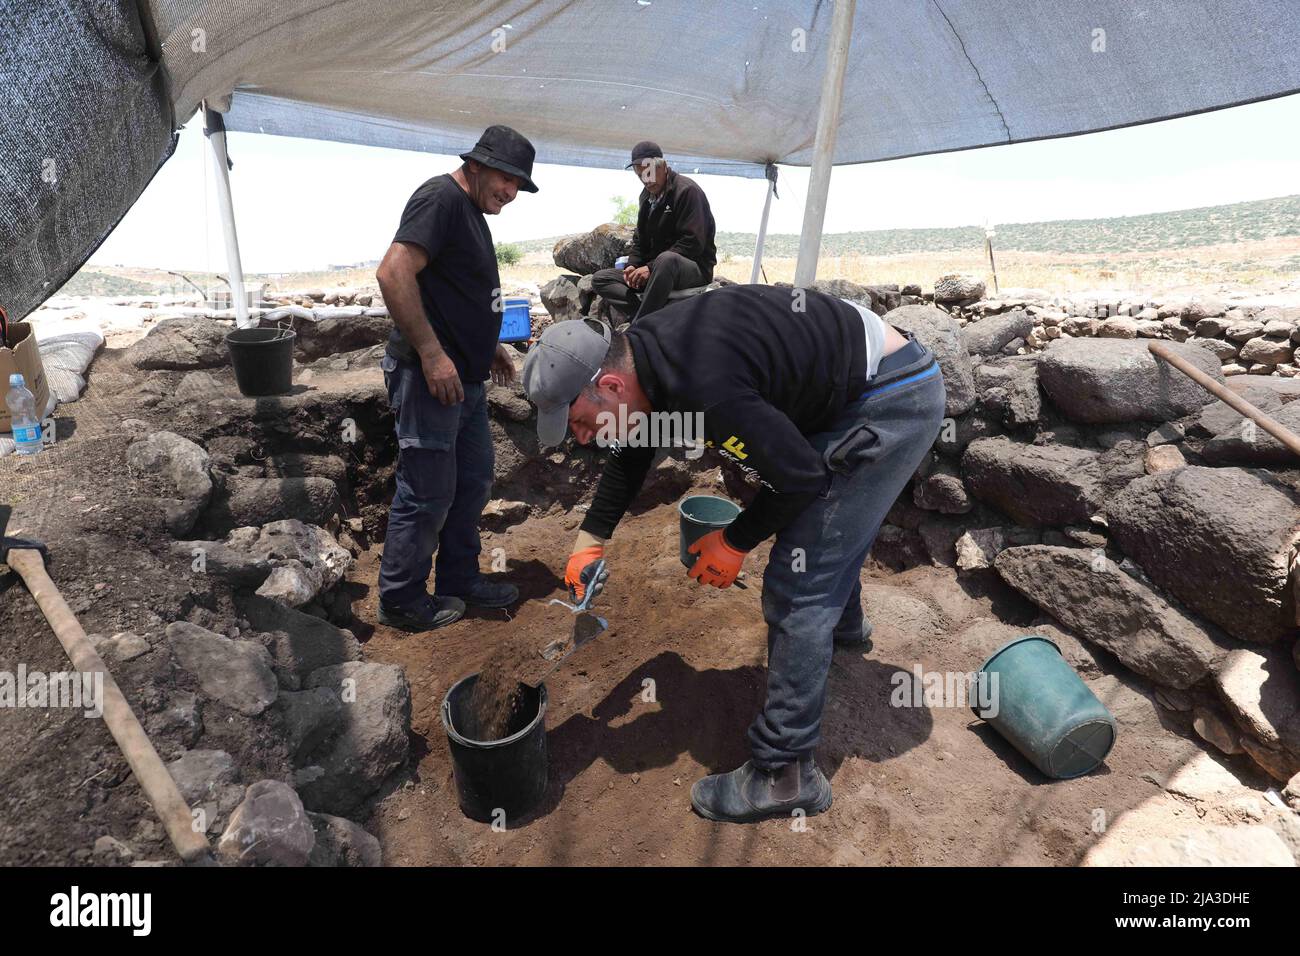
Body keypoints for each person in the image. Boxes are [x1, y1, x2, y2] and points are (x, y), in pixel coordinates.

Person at [521, 284, 946, 822]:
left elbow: (799, 480)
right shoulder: (643, 354)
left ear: (609, 382)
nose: (582, 438)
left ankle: (784, 773)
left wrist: (733, 541)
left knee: (800, 581)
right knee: (827, 525)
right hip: (849, 385)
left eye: (580, 421)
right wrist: (591, 537)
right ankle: (843, 629)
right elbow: (638, 435)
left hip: (890, 401)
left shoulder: (705, 384)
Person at [374, 125, 536, 631]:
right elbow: (393, 273)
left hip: (465, 380)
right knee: (426, 491)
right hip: (430, 381)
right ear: (478, 164)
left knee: (472, 481)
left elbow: (455, 292)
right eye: (507, 179)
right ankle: (400, 600)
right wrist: (431, 353)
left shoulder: (470, 212)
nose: (511, 193)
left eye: (518, 185)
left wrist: (486, 348)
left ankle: (458, 579)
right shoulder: (439, 198)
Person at [590, 141, 716, 323]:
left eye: (649, 173)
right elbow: (640, 240)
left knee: (667, 260)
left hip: (692, 269)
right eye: (640, 175)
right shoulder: (646, 197)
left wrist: (649, 268)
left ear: (663, 166)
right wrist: (633, 266)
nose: (645, 180)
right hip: (658, 271)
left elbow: (693, 243)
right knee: (601, 279)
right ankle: (648, 315)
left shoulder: (687, 191)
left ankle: (641, 326)